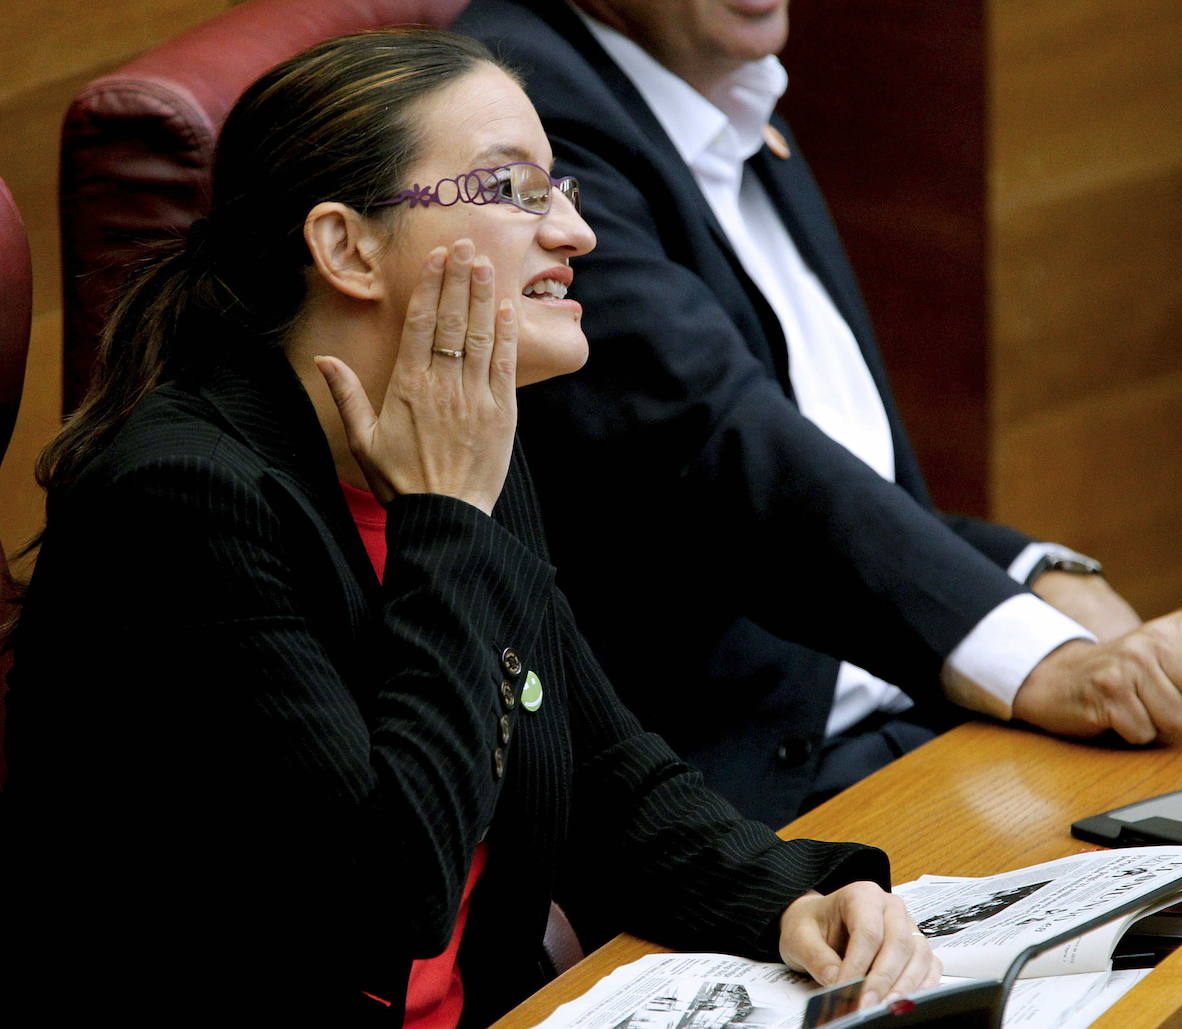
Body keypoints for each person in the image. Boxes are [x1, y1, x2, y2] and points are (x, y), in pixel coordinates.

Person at [2, 30, 939, 1028]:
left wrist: (790, 900)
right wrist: (445, 519)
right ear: (346, 247)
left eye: (564, 189)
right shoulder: (183, 499)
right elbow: (387, 896)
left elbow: (602, 772)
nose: (576, 234)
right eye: (514, 190)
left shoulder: (466, 434)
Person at [452, 0, 1182, 827]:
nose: (564, 222)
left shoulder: (732, 97)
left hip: (921, 722)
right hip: (744, 798)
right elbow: (717, 445)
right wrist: (1047, 659)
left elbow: (854, 483)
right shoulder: (522, 94)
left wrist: (1045, 579)